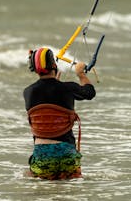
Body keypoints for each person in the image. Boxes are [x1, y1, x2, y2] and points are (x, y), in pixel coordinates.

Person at [23, 47, 96, 180]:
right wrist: (81, 74)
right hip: (67, 157)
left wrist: (56, 83)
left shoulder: (28, 92)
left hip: (42, 159)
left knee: (33, 179)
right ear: (54, 65)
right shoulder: (67, 88)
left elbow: (48, 94)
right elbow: (90, 92)